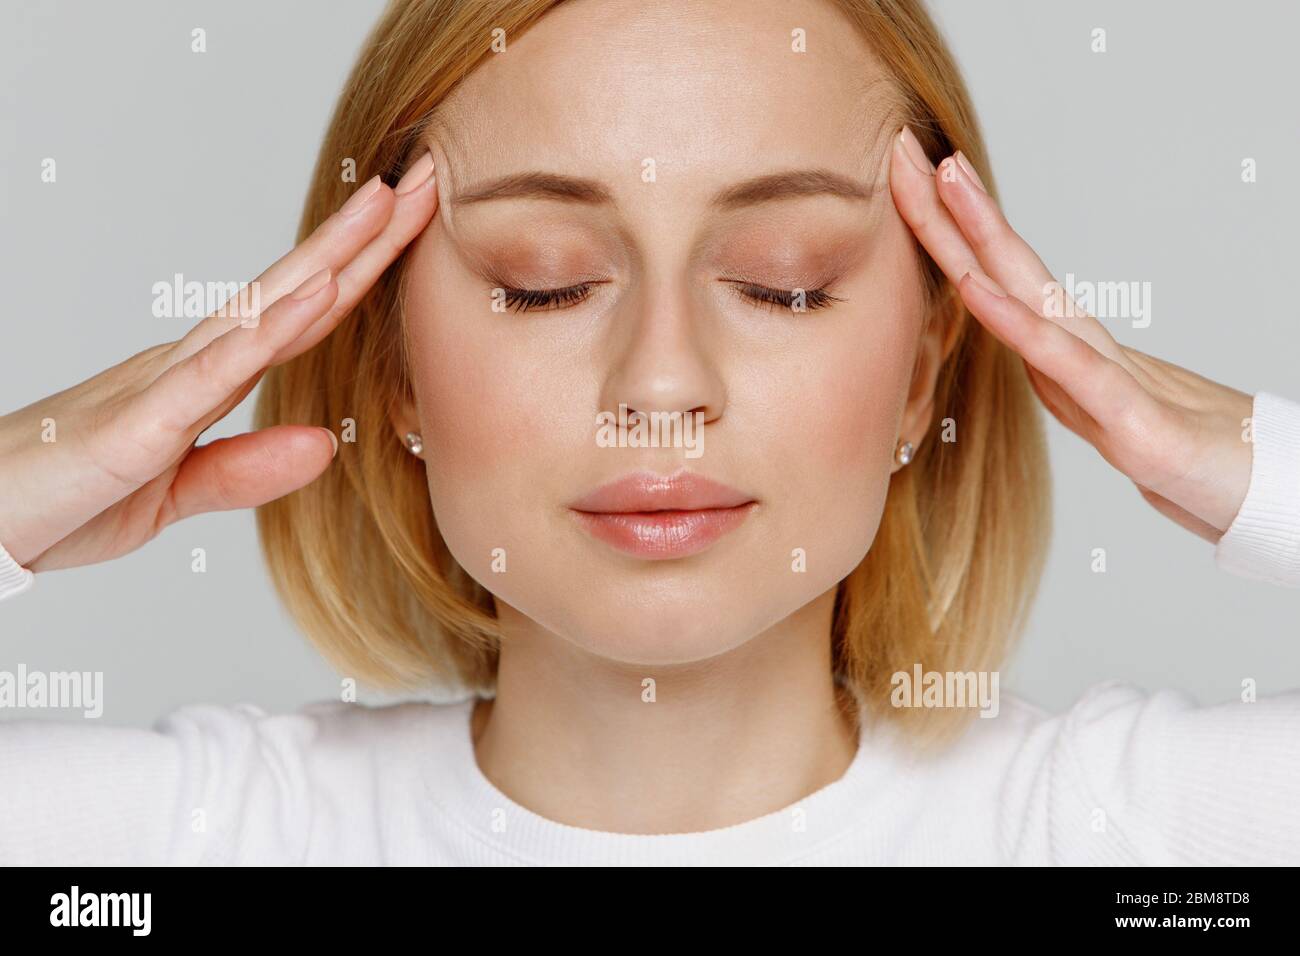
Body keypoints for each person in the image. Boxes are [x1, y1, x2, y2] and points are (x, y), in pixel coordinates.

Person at [2, 0, 1297, 865]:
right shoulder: (200, 847)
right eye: (544, 279)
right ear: (387, 362)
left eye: (786, 281)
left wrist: (1246, 462)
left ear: (924, 369)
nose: (662, 382)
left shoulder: (1137, 841)